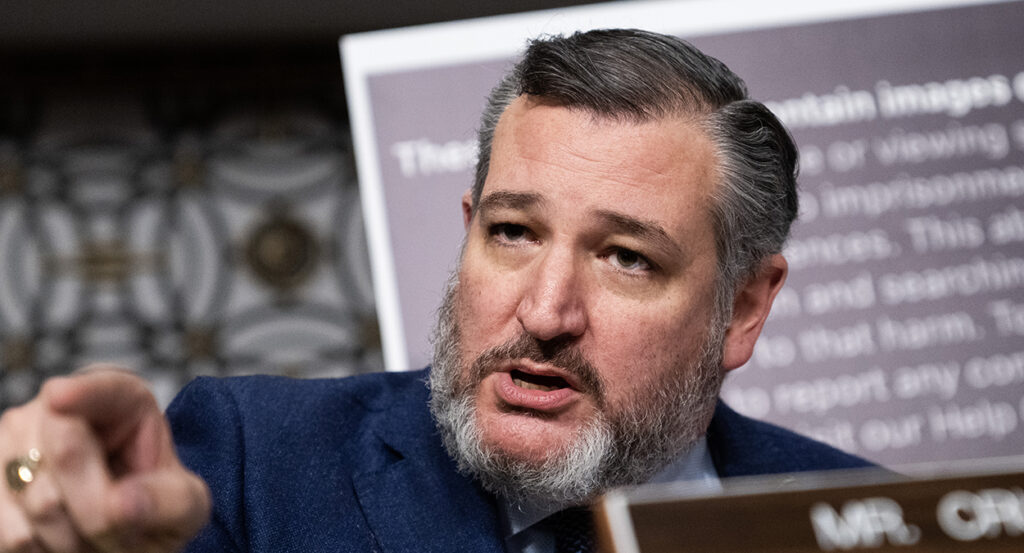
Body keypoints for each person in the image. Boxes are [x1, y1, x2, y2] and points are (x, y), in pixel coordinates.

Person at [0, 29, 873, 553]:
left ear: (745, 306)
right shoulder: (251, 463)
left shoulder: (870, 520)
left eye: (626, 258)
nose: (544, 313)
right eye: (513, 232)